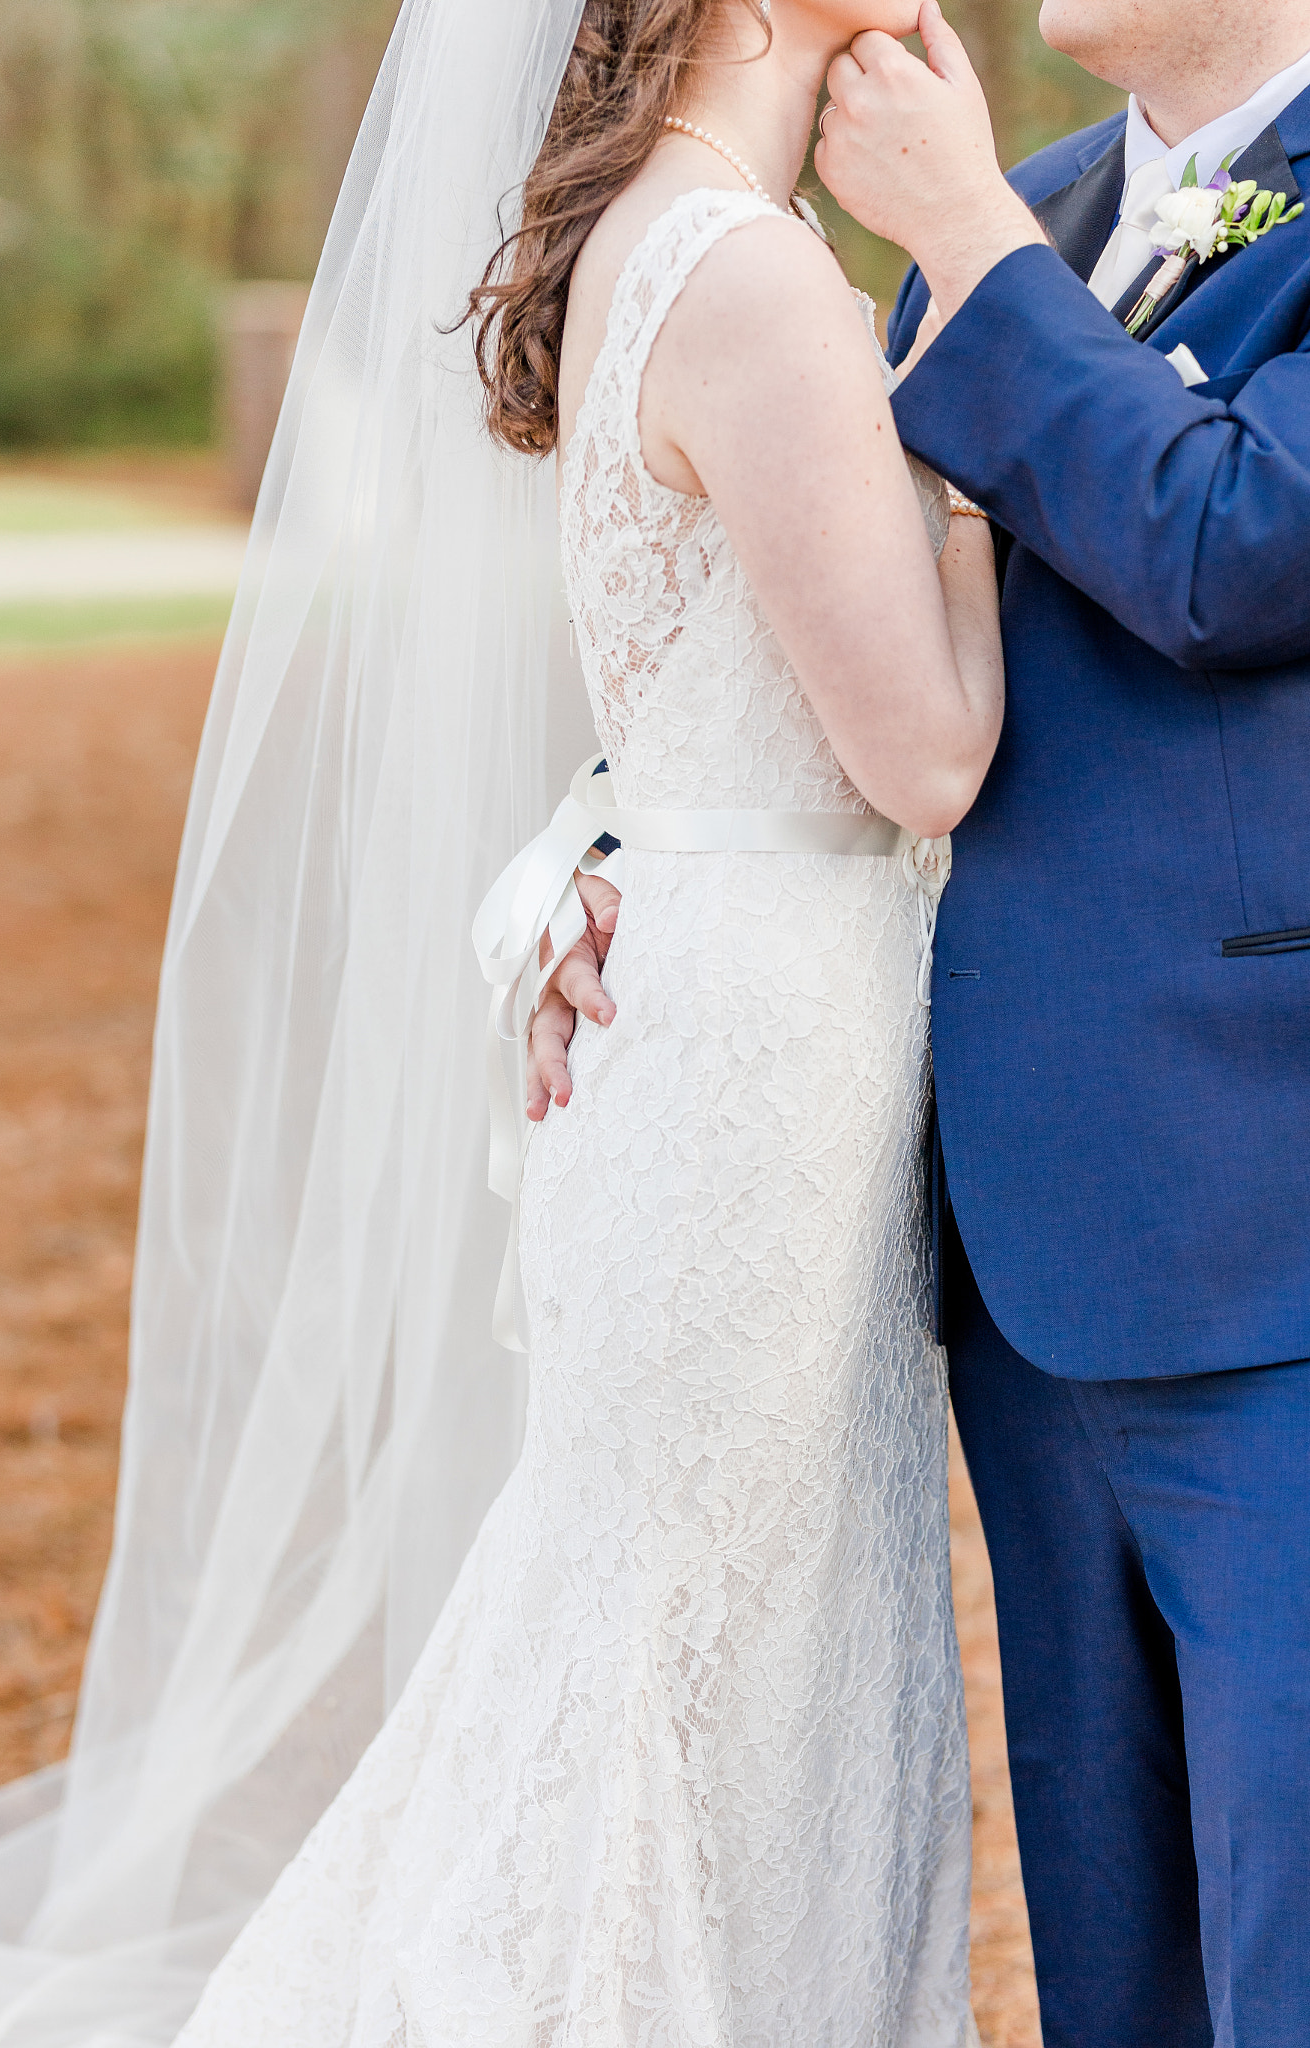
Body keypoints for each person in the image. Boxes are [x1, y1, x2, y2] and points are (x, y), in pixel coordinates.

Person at [163, 0, 1008, 2040]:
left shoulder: (657, 234)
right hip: (759, 1055)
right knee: (716, 1649)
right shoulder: (756, 279)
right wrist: (983, 461)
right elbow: (925, 755)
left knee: (691, 1623)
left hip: (706, 993)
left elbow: (697, 705)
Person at [550, 2, 1310, 2041]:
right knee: (1105, 1943)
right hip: (999, 1237)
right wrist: (603, 862)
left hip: (1273, 1235)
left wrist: (967, 241)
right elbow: (811, 645)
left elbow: (1239, 546)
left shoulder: (972, 230)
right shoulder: (1014, 217)